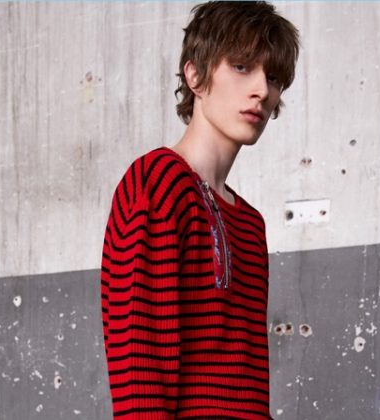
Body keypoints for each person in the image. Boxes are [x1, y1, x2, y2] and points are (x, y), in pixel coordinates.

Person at [100, 2, 300, 419]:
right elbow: (138, 364)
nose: (261, 90)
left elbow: (246, 385)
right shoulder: (157, 182)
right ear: (195, 76)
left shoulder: (250, 223)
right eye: (242, 67)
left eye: (273, 77)